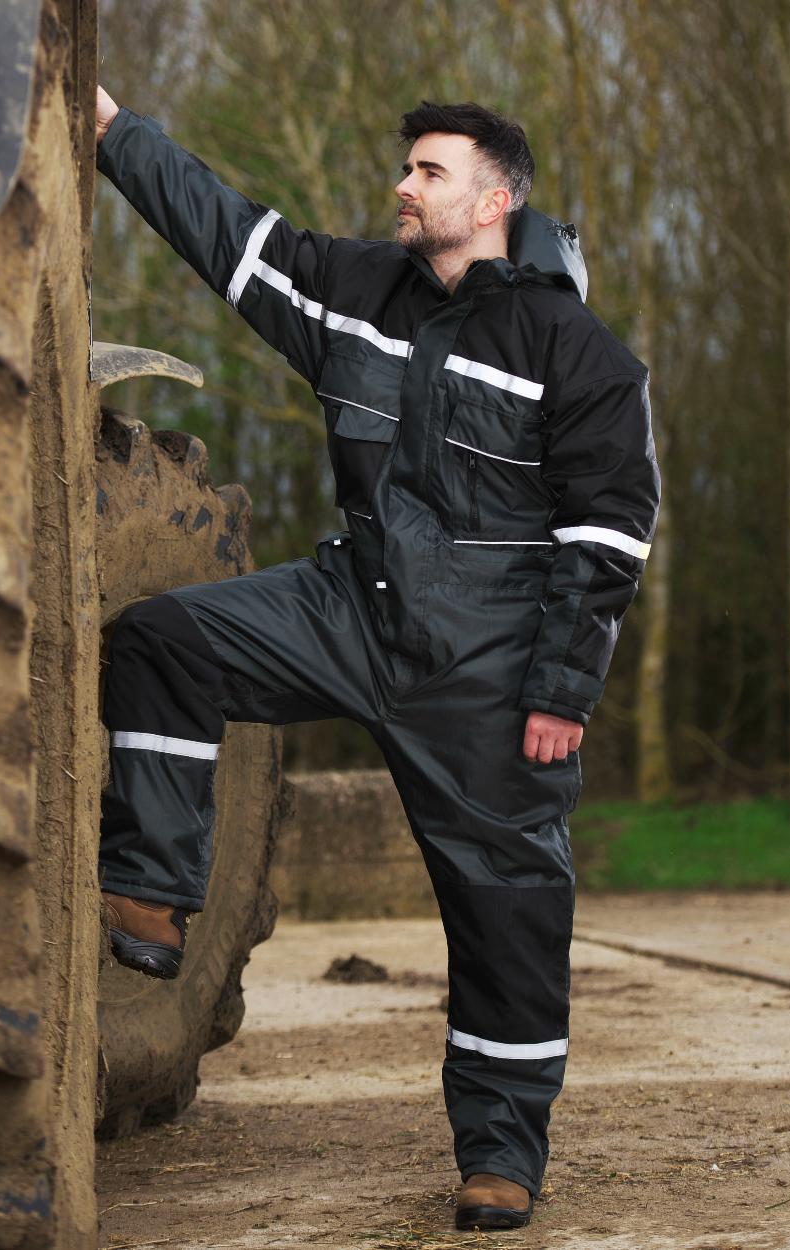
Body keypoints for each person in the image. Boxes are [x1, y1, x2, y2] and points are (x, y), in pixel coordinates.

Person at [93, 86, 660, 1232]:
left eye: (429, 172)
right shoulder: (354, 290)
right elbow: (226, 231)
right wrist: (112, 134)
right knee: (163, 640)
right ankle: (152, 892)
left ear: (494, 199)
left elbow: (607, 534)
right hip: (353, 604)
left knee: (506, 911)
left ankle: (500, 1152)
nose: (403, 185)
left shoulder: (575, 350)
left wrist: (560, 687)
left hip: (490, 661)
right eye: (404, 168)